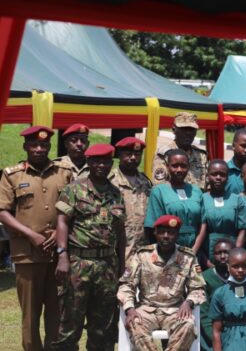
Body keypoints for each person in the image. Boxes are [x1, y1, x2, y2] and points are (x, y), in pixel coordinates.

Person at [0, 126, 71, 351]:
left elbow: (73, 209)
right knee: (30, 317)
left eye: (44, 145)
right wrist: (32, 235)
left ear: (49, 146)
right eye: (34, 145)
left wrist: (57, 235)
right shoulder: (12, 174)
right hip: (27, 255)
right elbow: (3, 211)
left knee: (56, 314)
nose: (39, 149)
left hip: (57, 255)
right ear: (26, 147)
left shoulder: (63, 173)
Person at [52, 143, 125, 351]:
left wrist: (122, 265)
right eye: (97, 161)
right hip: (78, 264)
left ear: (111, 163)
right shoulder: (73, 189)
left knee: (103, 326)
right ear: (89, 163)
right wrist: (62, 255)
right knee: (70, 324)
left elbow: (121, 232)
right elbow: (62, 222)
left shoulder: (116, 193)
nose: (102, 165)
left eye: (106, 161)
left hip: (107, 265)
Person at [118, 214, 206, 351]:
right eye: (162, 232)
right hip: (147, 309)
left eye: (171, 232)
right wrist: (129, 308)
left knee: (188, 325)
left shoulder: (187, 257)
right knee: (134, 323)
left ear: (177, 234)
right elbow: (126, 285)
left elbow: (198, 288)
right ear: (155, 233)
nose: (166, 236)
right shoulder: (142, 255)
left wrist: (188, 302)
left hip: (175, 310)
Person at [145, 149, 203, 249]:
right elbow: (152, 228)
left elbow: (203, 225)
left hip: (194, 249)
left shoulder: (196, 191)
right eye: (175, 166)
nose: (179, 170)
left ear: (188, 167)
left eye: (183, 166)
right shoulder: (159, 191)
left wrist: (194, 251)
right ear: (167, 167)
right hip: (168, 249)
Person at [196, 160, 246, 257]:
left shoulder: (237, 199)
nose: (218, 178)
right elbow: (198, 231)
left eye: (222, 175)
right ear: (208, 176)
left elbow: (244, 229)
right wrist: (205, 261)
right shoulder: (201, 199)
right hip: (207, 250)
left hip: (231, 249)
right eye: (214, 174)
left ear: (228, 177)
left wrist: (235, 253)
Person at [110, 137, 152, 261]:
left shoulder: (145, 182)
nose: (133, 157)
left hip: (142, 247)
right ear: (119, 155)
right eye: (128, 154)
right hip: (117, 246)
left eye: (137, 154)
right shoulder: (110, 180)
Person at [152, 112, 208, 189]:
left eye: (191, 129)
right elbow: (160, 186)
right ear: (174, 130)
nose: (188, 133)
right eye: (184, 129)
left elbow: (208, 185)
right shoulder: (164, 155)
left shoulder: (201, 155)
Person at [201, 239, 232, 351]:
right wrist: (215, 337)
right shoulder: (205, 277)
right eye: (219, 253)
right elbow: (204, 312)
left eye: (227, 252)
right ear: (213, 255)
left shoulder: (241, 277)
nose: (223, 256)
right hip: (213, 330)